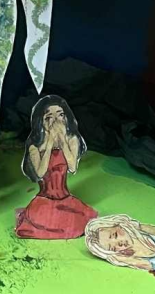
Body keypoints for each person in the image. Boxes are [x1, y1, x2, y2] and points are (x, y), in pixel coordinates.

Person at [15, 95, 98, 239]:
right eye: (49, 117)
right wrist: (48, 145)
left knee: (77, 223)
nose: (56, 121)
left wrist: (62, 141)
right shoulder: (35, 147)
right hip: (44, 200)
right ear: (41, 122)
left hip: (66, 199)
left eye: (60, 115)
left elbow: (72, 167)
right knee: (41, 221)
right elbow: (40, 173)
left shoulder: (72, 140)